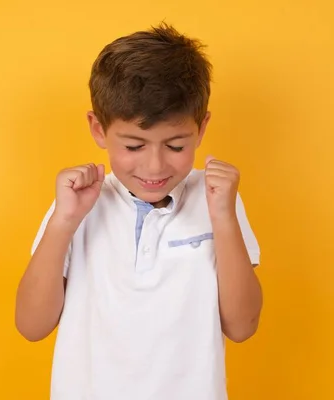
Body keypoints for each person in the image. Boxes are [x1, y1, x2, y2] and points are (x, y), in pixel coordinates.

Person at [15, 22, 263, 400]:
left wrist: (224, 218)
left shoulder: (217, 200)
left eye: (176, 146)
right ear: (98, 130)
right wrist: (63, 222)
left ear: (201, 129)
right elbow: (31, 326)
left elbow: (242, 326)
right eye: (133, 146)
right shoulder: (77, 203)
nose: (154, 167)